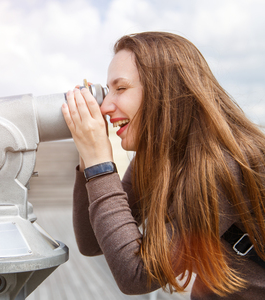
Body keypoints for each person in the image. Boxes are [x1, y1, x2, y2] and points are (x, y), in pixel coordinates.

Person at [61, 31, 265, 299]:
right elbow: (92, 243)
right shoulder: (159, 157)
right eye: (107, 91)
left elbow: (134, 276)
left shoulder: (223, 166)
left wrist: (100, 164)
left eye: (120, 89)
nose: (105, 107)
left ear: (165, 91)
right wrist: (87, 156)